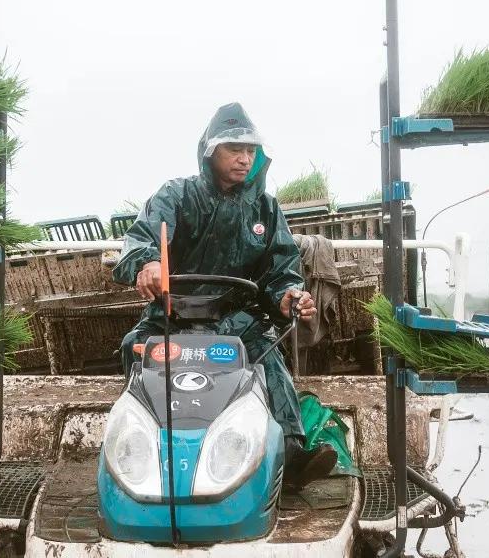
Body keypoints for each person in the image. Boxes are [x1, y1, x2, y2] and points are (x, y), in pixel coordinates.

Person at [113, 102, 337, 489]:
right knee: (133, 347)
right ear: (209, 152)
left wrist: (287, 297)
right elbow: (139, 242)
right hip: (172, 315)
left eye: (250, 150)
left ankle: (291, 450)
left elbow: (282, 271)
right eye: (234, 149)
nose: (244, 158)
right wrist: (148, 263)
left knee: (269, 356)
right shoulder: (176, 195)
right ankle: (143, 448)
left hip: (238, 319)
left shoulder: (266, 209)